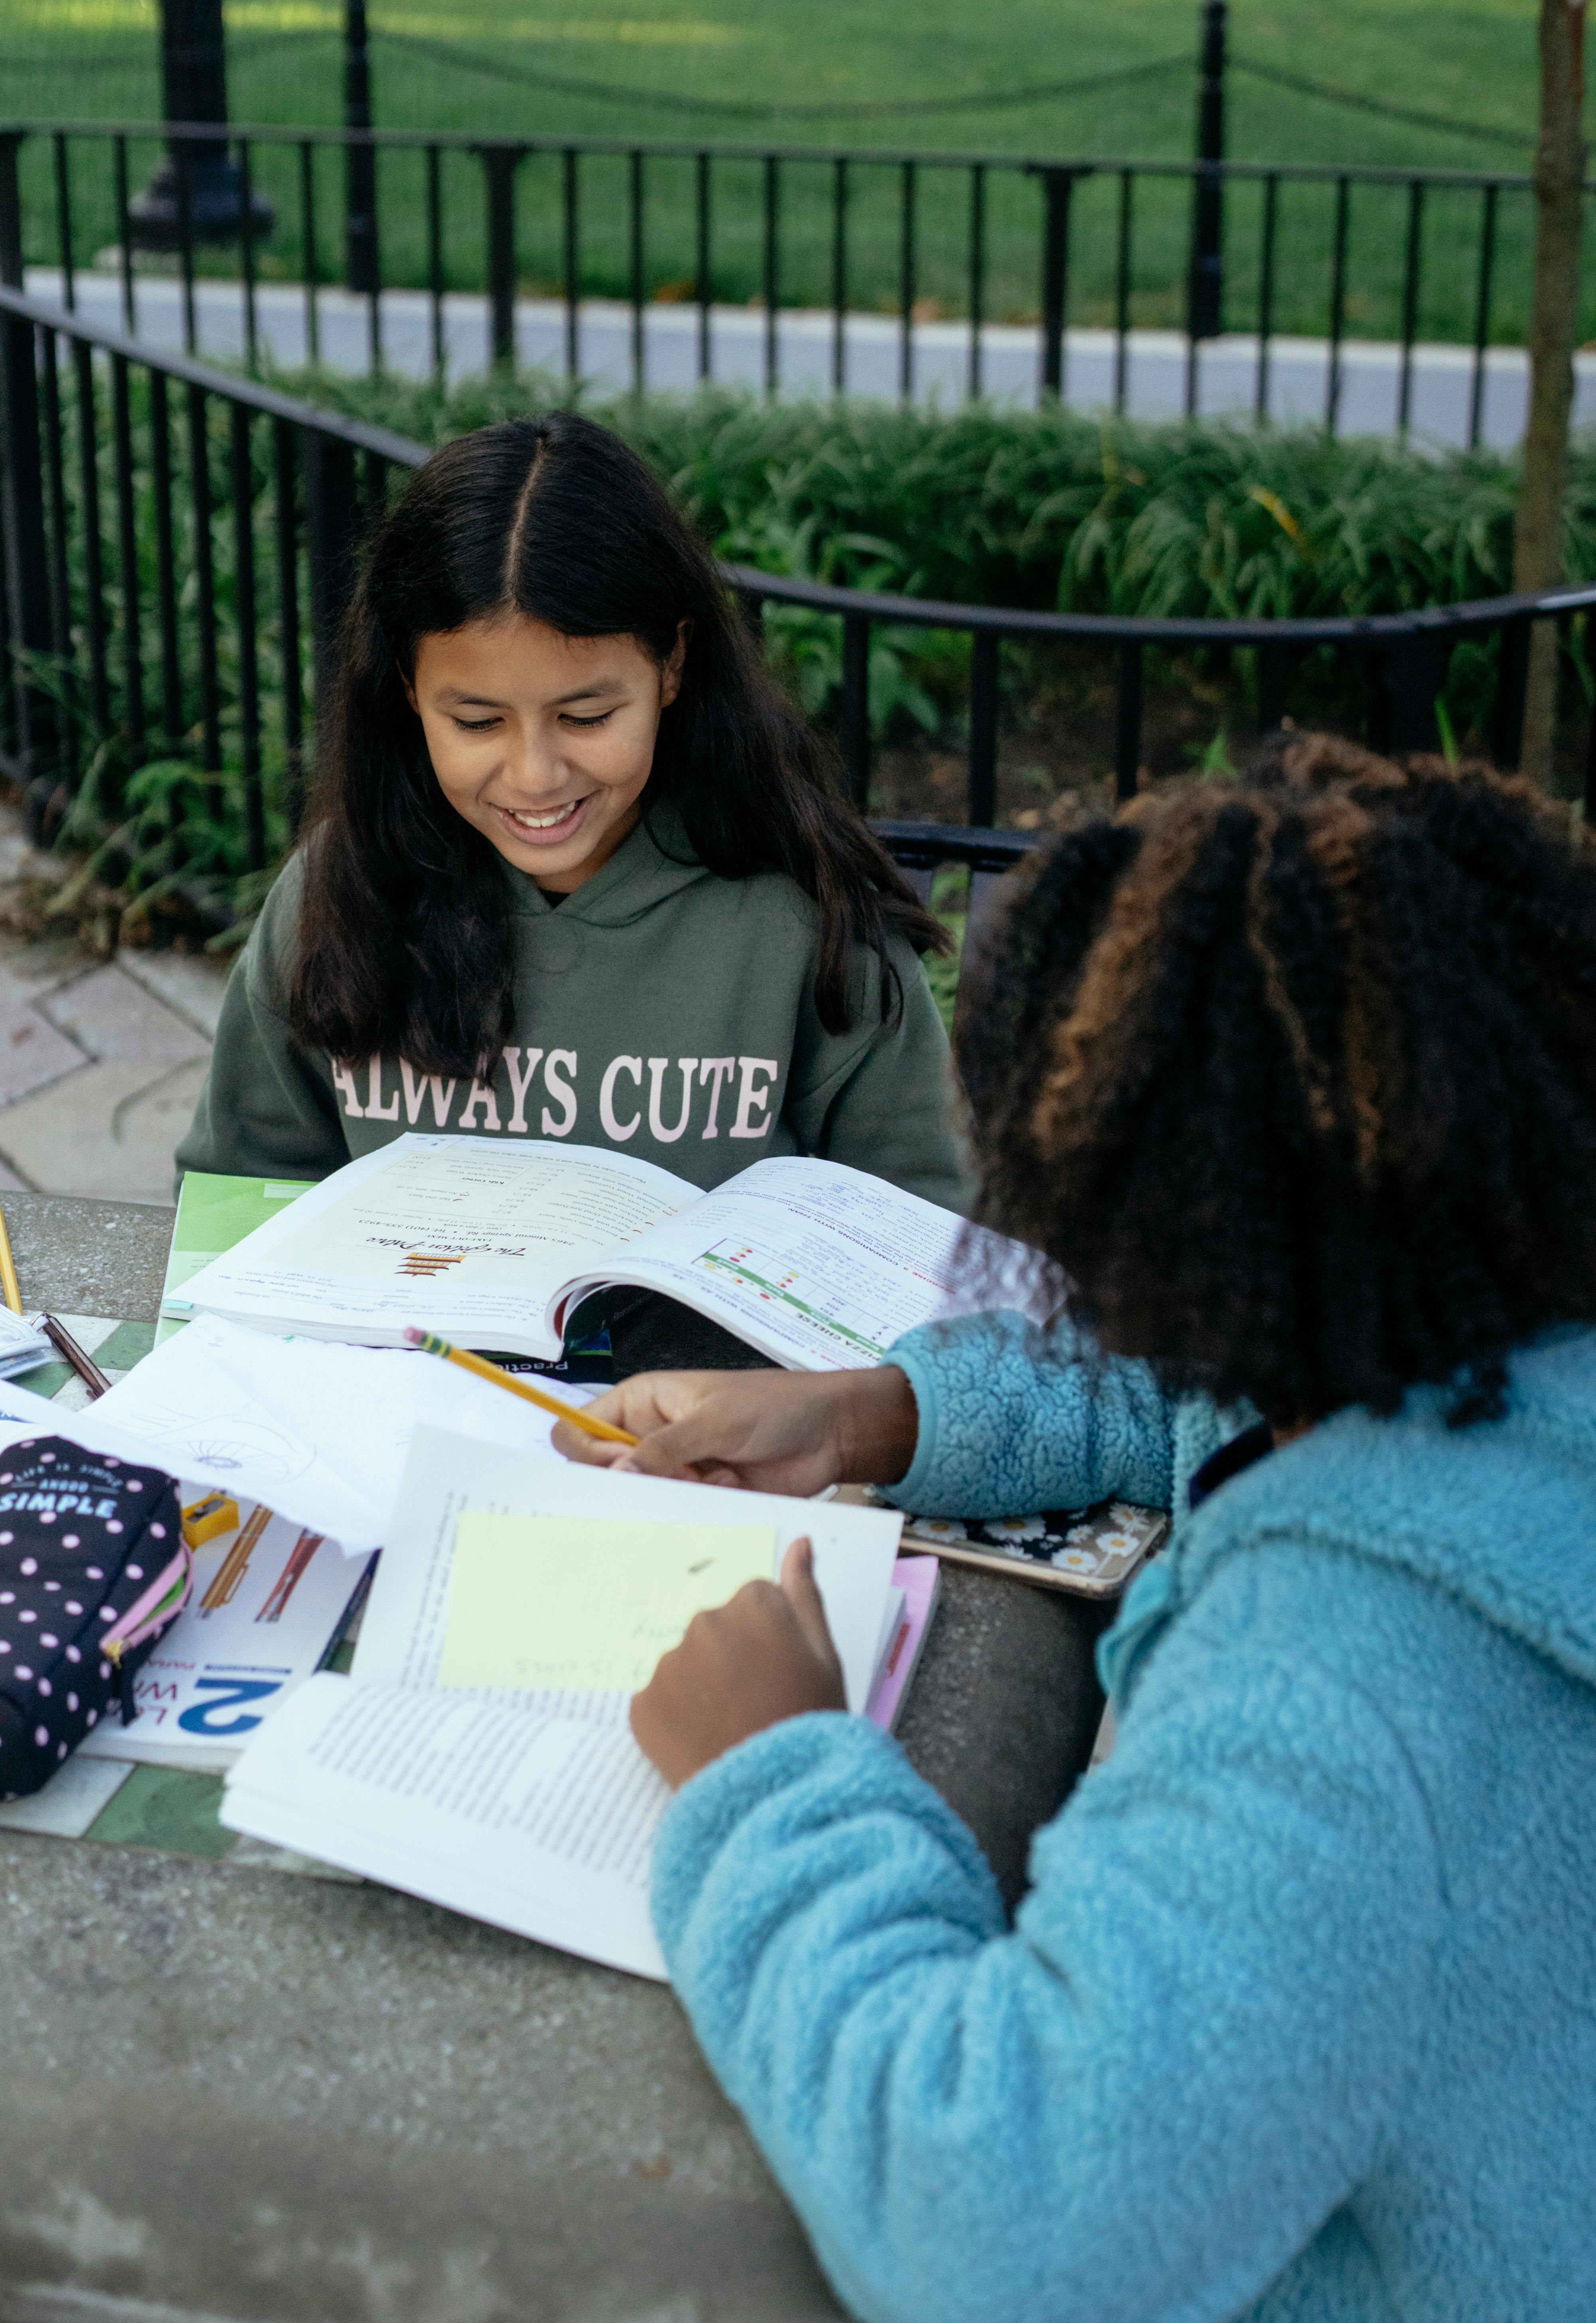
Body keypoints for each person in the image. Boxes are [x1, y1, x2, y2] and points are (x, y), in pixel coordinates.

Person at [555, 736, 1596, 2322]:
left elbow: (1002, 2226)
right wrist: (863, 1415)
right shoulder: (1472, 1316)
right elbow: (1189, 1397)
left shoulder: (1328, 1702)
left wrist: (771, 1781)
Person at [178, 411, 961, 1215]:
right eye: (476, 723)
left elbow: (928, 1230)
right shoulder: (338, 891)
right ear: (410, 693)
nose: (534, 775)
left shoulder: (802, 921)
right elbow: (237, 1189)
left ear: (671, 665)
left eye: (586, 717)